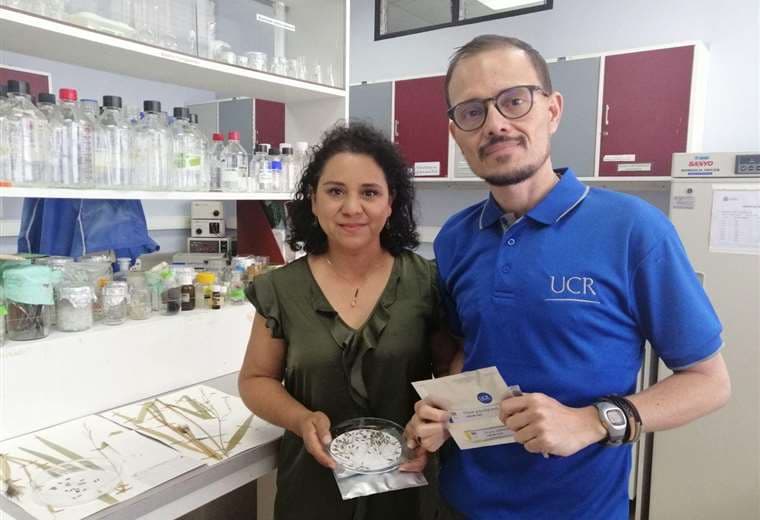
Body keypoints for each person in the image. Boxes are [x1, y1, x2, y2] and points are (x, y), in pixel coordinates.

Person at [404, 35, 731, 519]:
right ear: (456, 133)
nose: (495, 123)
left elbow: (709, 382)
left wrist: (593, 421)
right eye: (473, 111)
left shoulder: (633, 230)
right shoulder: (456, 238)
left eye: (514, 100)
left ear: (552, 110)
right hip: (461, 502)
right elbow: (468, 348)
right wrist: (441, 412)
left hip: (579, 509)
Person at [238, 123, 445, 519]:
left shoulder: (425, 281)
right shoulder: (281, 288)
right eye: (335, 191)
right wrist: (301, 419)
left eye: (369, 192)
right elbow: (255, 379)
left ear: (390, 202)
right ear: (313, 201)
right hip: (314, 490)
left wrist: (438, 424)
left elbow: (453, 369)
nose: (352, 208)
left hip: (405, 487)